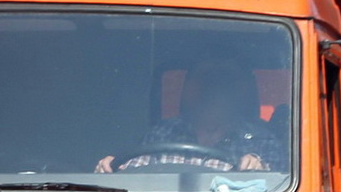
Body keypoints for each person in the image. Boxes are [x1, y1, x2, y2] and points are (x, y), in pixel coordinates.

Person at [96, 59, 283, 173]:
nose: (214, 86)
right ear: (187, 88)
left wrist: (259, 171)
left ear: (243, 90)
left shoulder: (263, 141)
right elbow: (133, 179)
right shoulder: (163, 133)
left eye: (224, 78)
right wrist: (111, 170)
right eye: (205, 77)